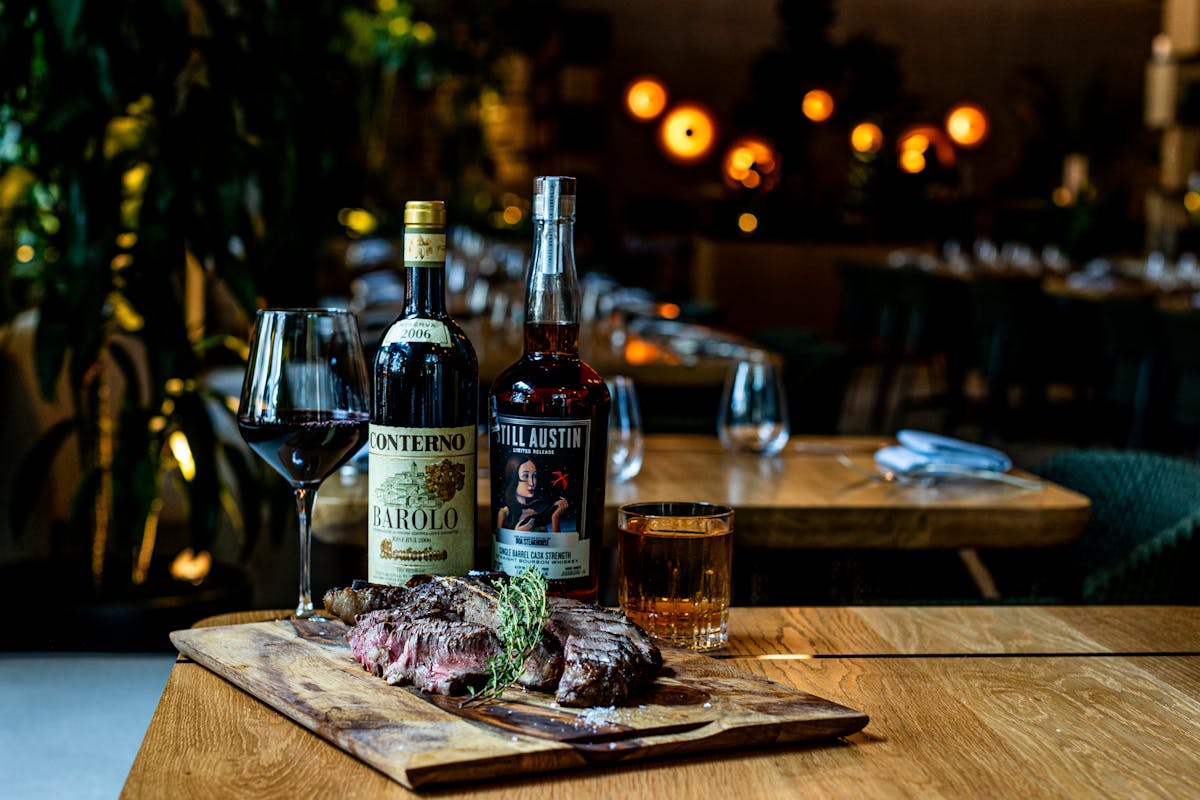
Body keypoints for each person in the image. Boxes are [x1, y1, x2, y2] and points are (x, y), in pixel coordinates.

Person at [496, 456, 568, 532]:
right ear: (514, 478)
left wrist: (555, 517)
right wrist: (517, 532)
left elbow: (552, 543)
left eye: (534, 476)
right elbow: (499, 539)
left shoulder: (536, 515)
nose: (531, 483)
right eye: (525, 476)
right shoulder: (504, 513)